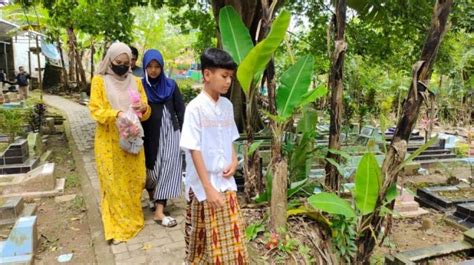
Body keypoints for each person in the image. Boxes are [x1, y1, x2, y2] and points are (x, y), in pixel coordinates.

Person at [180, 48, 249, 264]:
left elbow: (230, 137)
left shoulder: (227, 106)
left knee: (232, 236)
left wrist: (234, 158)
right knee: (202, 240)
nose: (228, 82)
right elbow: (193, 148)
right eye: (224, 76)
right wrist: (208, 188)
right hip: (203, 184)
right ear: (207, 75)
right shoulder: (195, 109)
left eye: (230, 77)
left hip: (225, 181)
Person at [89, 42, 150, 244]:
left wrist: (142, 107)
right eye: (118, 62)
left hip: (132, 140)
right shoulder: (99, 82)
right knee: (113, 183)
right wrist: (117, 113)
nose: (123, 66)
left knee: (134, 181)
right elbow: (96, 110)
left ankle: (131, 220)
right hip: (109, 142)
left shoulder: (136, 82)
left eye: (127, 62)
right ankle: (115, 227)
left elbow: (146, 111)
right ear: (110, 61)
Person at [141, 49, 185, 227]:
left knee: (167, 168)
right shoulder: (141, 87)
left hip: (171, 133)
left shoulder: (171, 85)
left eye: (157, 66)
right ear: (145, 67)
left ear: (162, 67)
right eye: (150, 66)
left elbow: (180, 110)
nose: (153, 70)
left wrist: (185, 134)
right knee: (151, 171)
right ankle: (152, 196)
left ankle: (159, 211)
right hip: (149, 135)